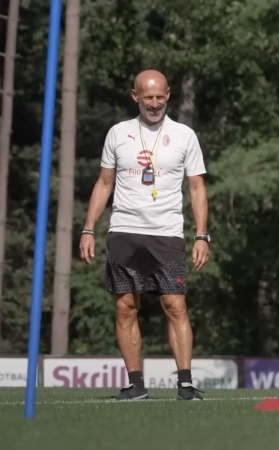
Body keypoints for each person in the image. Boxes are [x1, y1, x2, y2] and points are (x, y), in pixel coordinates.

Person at [78, 69, 210, 401]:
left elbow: (196, 187)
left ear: (169, 95)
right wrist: (88, 228)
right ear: (135, 96)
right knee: (125, 307)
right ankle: (135, 384)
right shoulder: (118, 133)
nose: (154, 103)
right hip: (124, 230)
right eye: (148, 97)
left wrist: (202, 235)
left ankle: (185, 384)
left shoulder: (184, 135)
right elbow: (104, 182)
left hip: (167, 233)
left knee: (175, 305)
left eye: (160, 97)